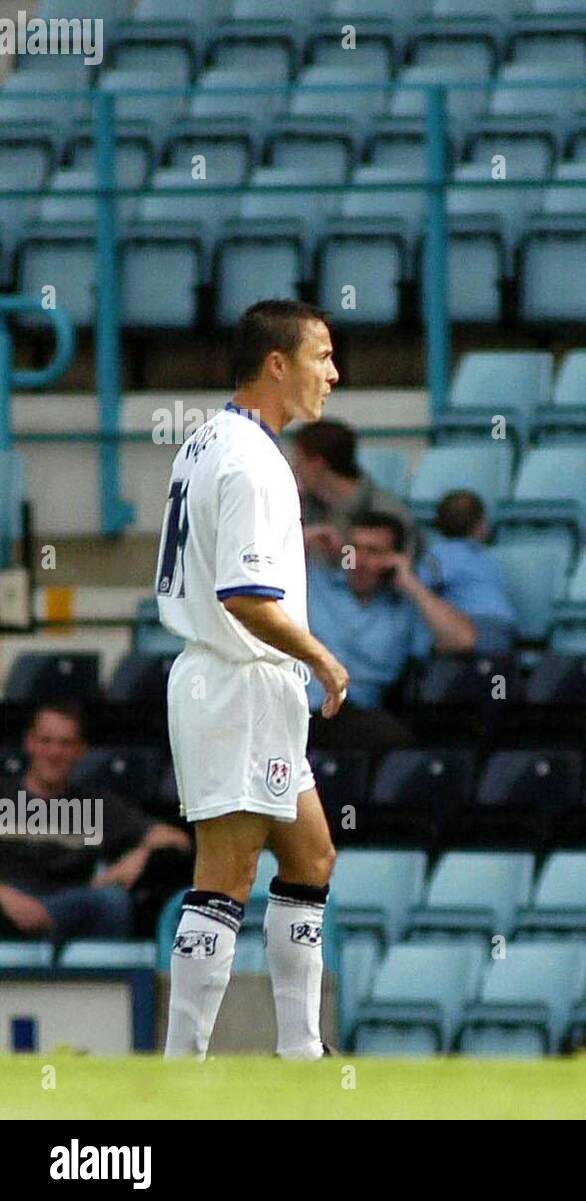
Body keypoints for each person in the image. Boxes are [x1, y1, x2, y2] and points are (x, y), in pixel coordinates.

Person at [155, 299, 349, 1060]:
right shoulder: (253, 460)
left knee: (310, 856)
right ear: (278, 363)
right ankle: (183, 1066)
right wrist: (323, 657)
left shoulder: (207, 441)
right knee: (226, 872)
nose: (332, 373)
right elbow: (244, 596)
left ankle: (302, 1051)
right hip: (237, 680)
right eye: (321, 355)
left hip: (239, 684)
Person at [0, 703, 190, 945]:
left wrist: (141, 854)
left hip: (70, 904)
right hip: (6, 906)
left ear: (81, 750)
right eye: (45, 741)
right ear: (29, 743)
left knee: (112, 901)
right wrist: (6, 897)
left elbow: (175, 838)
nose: (54, 752)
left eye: (65, 743)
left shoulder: (96, 805)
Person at [308, 510, 477, 751]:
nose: (359, 560)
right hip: (295, 704)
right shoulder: (315, 583)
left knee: (401, 744)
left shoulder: (406, 607)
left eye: (373, 551)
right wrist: (304, 538)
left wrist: (409, 582)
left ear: (396, 558)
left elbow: (464, 640)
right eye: (353, 548)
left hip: (354, 714)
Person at [290, 419, 419, 567]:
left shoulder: (386, 511)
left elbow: (388, 575)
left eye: (299, 461)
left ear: (317, 464)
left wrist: (343, 552)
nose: (295, 469)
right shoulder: (307, 506)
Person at [417, 490, 517, 655]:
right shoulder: (487, 558)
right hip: (506, 626)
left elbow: (420, 586)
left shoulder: (438, 555)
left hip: (475, 626)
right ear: (481, 526)